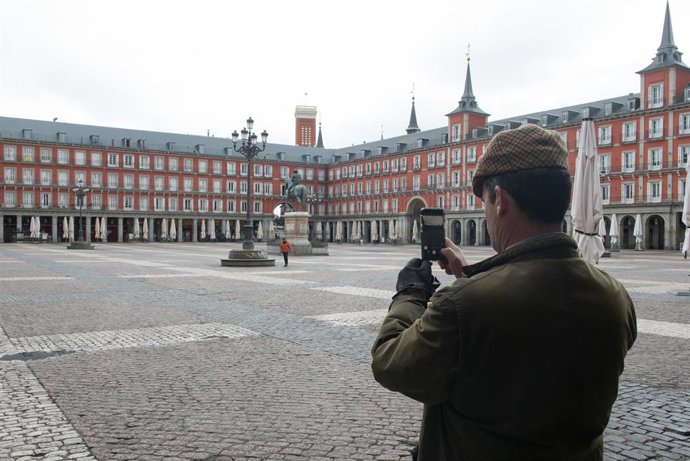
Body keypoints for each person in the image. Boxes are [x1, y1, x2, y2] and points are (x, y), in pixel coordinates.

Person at [371, 124, 637, 461]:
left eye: (484, 201)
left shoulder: (464, 306)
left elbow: (390, 363)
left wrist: (409, 294)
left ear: (501, 201)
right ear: (567, 196)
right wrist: (469, 275)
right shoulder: (615, 298)